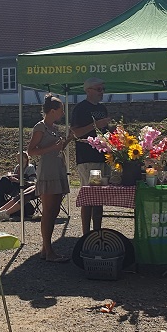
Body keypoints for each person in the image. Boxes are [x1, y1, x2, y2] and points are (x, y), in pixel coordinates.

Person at [28, 94, 71, 262]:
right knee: (49, 212)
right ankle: (49, 250)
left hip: (57, 168)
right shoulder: (40, 127)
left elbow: (55, 148)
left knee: (54, 211)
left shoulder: (54, 128)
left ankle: (46, 250)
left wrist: (67, 141)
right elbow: (31, 151)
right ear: (52, 111)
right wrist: (53, 147)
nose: (63, 114)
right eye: (61, 111)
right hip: (47, 171)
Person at [70, 77, 112, 235]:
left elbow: (104, 131)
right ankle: (86, 234)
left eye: (103, 89)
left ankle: (97, 232)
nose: (102, 92)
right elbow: (76, 132)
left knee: (98, 196)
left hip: (102, 158)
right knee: (89, 196)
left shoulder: (103, 108)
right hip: (88, 159)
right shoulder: (81, 108)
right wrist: (95, 125)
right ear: (88, 90)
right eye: (99, 89)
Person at [0, 152, 37, 221]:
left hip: (23, 186)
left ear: (25, 158)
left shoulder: (30, 167)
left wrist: (17, 180)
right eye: (17, 158)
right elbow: (14, 176)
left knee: (4, 180)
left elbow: (32, 181)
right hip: (15, 185)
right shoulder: (17, 167)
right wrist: (11, 176)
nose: (18, 160)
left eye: (20, 158)